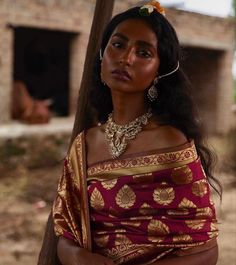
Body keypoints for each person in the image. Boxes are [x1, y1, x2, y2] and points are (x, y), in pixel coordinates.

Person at [38, 1, 221, 264]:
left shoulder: (171, 142)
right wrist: (77, 257)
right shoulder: (85, 144)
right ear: (102, 56)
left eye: (144, 53)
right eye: (118, 45)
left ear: (159, 71)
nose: (126, 58)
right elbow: (66, 230)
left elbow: (205, 252)